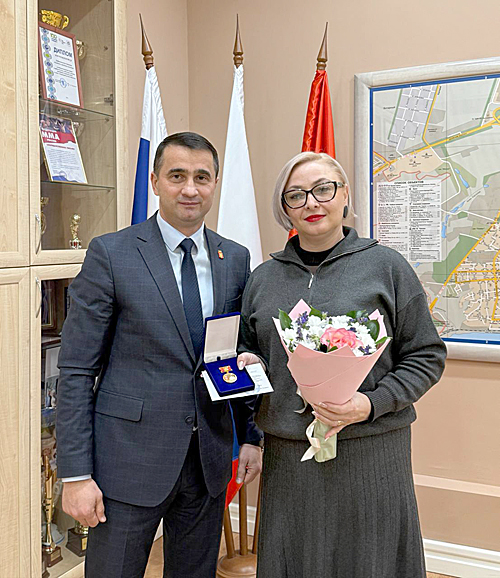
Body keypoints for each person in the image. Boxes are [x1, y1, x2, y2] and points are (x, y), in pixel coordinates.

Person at [56, 132, 263, 578]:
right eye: (177, 176)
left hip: (207, 461)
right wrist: (75, 475)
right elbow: (75, 370)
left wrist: (250, 435)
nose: (190, 188)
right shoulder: (112, 254)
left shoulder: (234, 258)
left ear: (215, 183)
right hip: (127, 464)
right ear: (154, 181)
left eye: (202, 177)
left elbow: (237, 353)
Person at [237, 151, 446, 577]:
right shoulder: (263, 278)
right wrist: (249, 363)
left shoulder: (386, 267)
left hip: (370, 451)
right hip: (289, 457)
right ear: (285, 207)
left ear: (345, 194)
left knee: (369, 562)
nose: (311, 203)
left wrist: (370, 404)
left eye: (323, 189)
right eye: (296, 195)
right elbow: (251, 351)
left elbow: (426, 355)